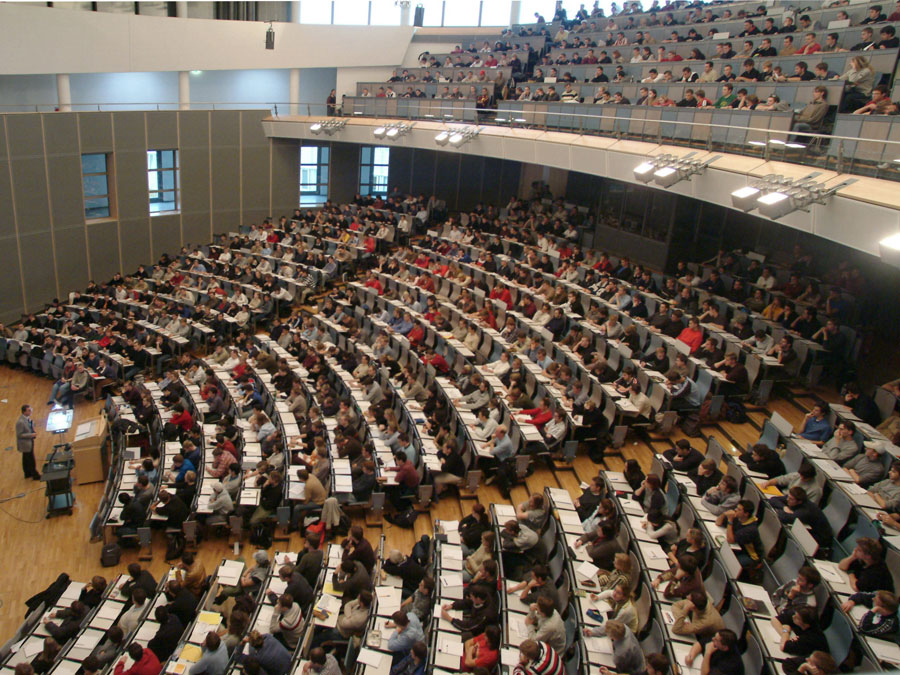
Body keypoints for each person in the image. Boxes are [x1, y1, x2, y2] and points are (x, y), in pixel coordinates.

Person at [672, 591, 724, 665]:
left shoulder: (706, 621)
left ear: (693, 607)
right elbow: (675, 605)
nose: (686, 598)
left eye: (688, 600)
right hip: (697, 632)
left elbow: (676, 629)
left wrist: (685, 610)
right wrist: (681, 620)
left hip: (709, 643)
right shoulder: (699, 601)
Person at [717, 499, 763, 572]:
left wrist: (730, 521)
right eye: (736, 508)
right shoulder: (738, 517)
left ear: (746, 514)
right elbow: (718, 522)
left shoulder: (750, 529)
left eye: (739, 509)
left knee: (728, 563)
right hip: (738, 547)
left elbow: (730, 540)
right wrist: (724, 514)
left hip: (750, 556)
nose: (735, 510)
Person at [16, 404, 40, 480]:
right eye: (29, 410)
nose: (31, 411)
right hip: (25, 444)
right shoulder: (20, 422)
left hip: (29, 442)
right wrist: (31, 435)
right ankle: (35, 475)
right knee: (30, 460)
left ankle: (27, 473)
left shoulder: (27, 419)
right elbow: (19, 435)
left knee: (26, 459)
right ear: (24, 412)